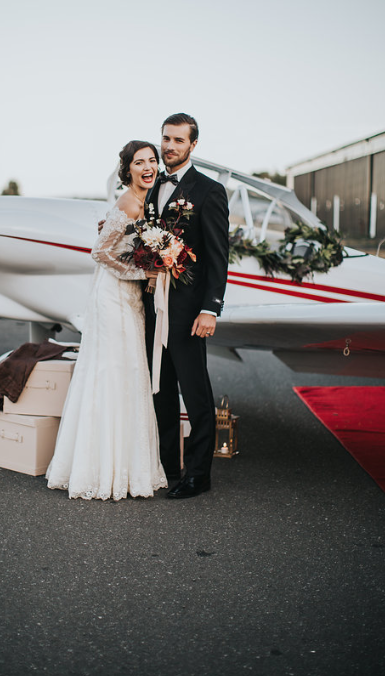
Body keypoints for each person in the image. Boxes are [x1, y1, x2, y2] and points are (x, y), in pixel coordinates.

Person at [46, 141, 168, 500]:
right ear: (127, 169)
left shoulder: (150, 201)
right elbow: (99, 251)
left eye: (151, 161)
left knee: (131, 371)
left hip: (129, 299)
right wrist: (141, 275)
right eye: (139, 162)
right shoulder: (128, 201)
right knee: (113, 372)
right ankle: (100, 468)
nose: (147, 167)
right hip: (113, 296)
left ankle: (129, 467)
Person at [143, 113, 229, 499]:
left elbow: (217, 256)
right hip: (151, 310)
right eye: (165, 139)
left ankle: (199, 474)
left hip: (190, 313)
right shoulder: (152, 187)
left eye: (178, 140)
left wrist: (210, 308)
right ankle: (168, 466)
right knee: (160, 392)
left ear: (193, 145)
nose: (169, 147)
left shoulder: (209, 191)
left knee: (196, 395)